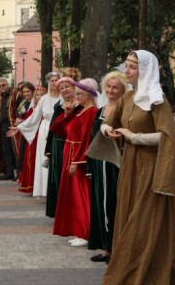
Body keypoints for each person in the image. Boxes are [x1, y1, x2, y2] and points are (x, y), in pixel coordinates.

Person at [101, 50, 175, 284]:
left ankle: (146, 273)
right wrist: (108, 130)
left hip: (151, 168)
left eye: (132, 67)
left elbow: (168, 137)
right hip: (130, 167)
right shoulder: (127, 98)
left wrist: (134, 137)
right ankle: (136, 270)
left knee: (145, 221)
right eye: (126, 65)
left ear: (145, 70)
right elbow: (107, 123)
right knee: (128, 217)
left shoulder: (157, 99)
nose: (126, 70)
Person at [49, 78, 99, 247]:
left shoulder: (91, 112)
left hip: (77, 157)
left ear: (89, 94)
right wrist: (68, 114)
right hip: (70, 153)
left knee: (81, 195)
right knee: (73, 195)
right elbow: (58, 129)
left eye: (80, 94)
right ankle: (78, 230)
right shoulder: (80, 111)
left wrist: (76, 161)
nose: (77, 97)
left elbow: (86, 139)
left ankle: (84, 232)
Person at [85, 71, 128, 263]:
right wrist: (89, 166)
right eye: (108, 87)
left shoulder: (125, 110)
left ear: (123, 90)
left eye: (115, 87)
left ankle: (117, 248)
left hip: (115, 165)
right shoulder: (100, 110)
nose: (111, 90)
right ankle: (105, 247)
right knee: (100, 204)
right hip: (98, 164)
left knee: (114, 204)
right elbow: (92, 140)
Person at [7, 72, 61, 197]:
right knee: (44, 160)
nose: (54, 82)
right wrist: (19, 128)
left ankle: (59, 190)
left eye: (57, 80)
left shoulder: (65, 98)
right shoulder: (44, 99)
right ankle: (46, 190)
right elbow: (34, 117)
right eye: (52, 80)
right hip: (45, 131)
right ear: (48, 83)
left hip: (60, 131)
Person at [44, 68, 82, 218]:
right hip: (58, 145)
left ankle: (72, 214)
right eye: (61, 88)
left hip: (73, 146)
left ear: (74, 88)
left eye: (67, 87)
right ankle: (60, 212)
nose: (64, 90)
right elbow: (54, 128)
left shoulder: (81, 105)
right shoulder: (58, 107)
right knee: (57, 178)